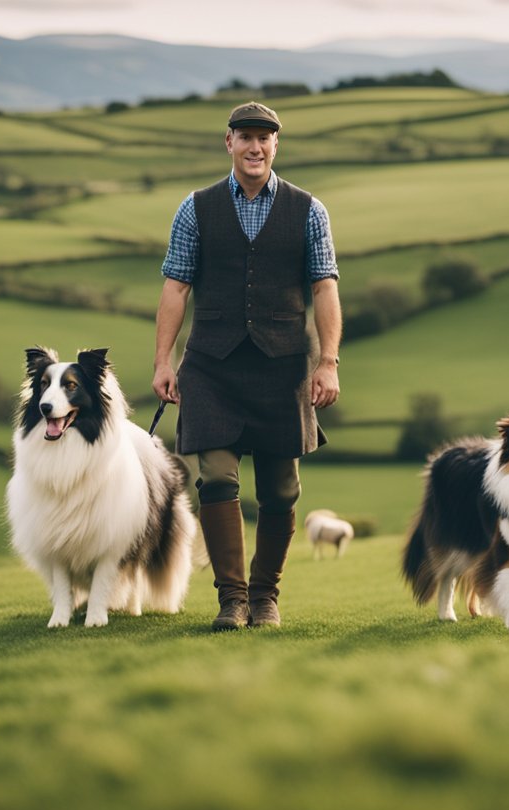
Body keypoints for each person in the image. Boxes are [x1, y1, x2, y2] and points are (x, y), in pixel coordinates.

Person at [152, 101, 342, 631]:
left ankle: (265, 597)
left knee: (282, 489)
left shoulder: (310, 210)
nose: (256, 147)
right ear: (228, 142)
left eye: (265, 138)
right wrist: (163, 360)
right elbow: (176, 286)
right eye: (246, 137)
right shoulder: (195, 208)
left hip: (285, 366)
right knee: (215, 477)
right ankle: (232, 598)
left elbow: (325, 286)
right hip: (211, 365)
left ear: (276, 145)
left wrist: (327, 362)